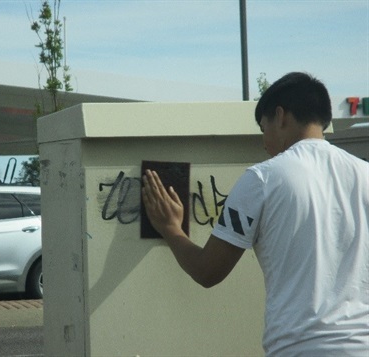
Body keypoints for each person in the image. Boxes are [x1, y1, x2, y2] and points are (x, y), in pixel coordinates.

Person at [142, 72, 369, 356]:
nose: (264, 143)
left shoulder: (263, 178)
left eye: (264, 129)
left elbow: (207, 271)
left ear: (280, 116)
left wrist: (171, 229)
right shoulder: (365, 174)